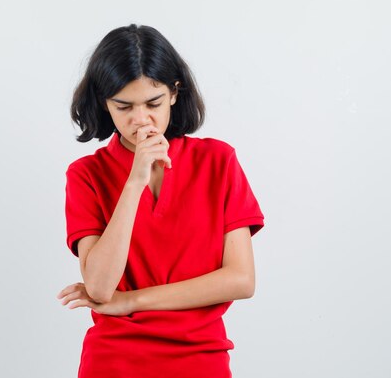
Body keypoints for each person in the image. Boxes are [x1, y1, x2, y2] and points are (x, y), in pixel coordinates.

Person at [56, 24, 265, 378]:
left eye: (152, 103)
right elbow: (100, 286)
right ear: (105, 104)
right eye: (123, 107)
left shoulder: (218, 161)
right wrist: (135, 182)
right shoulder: (86, 175)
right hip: (113, 361)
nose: (140, 120)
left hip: (202, 358)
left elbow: (241, 280)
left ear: (173, 93)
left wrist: (132, 301)